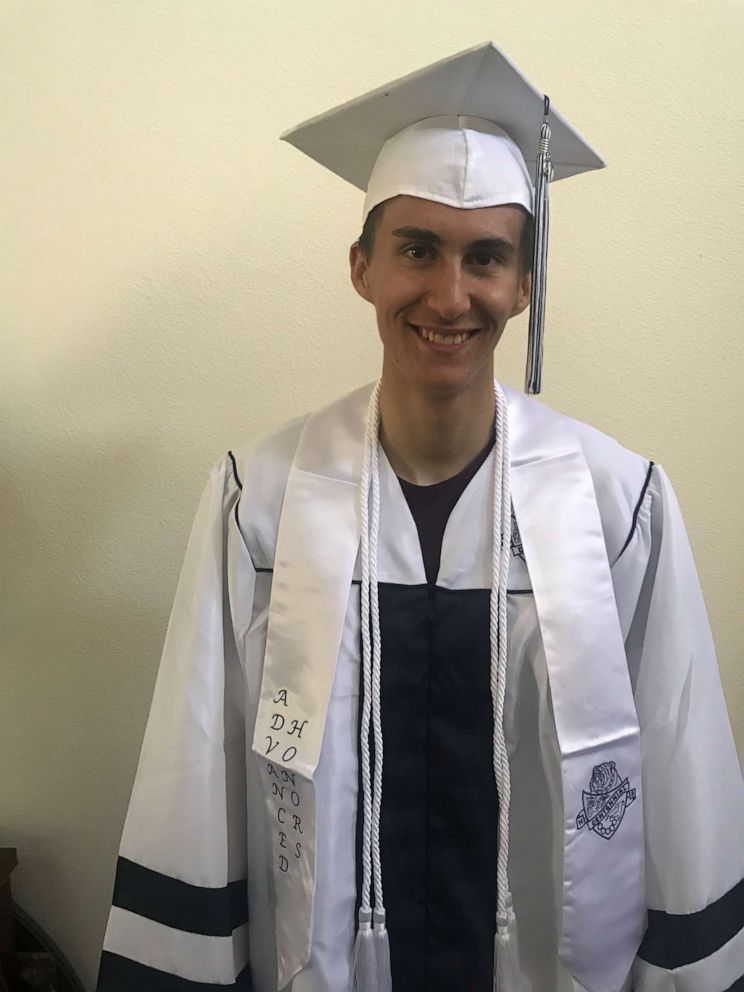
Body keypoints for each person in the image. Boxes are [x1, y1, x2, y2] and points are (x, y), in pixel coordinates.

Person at [96, 42, 744, 992]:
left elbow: (682, 782)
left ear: (524, 283)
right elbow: (196, 777)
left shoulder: (619, 508)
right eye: (416, 249)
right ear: (361, 267)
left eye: (487, 256)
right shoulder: (260, 503)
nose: (450, 294)